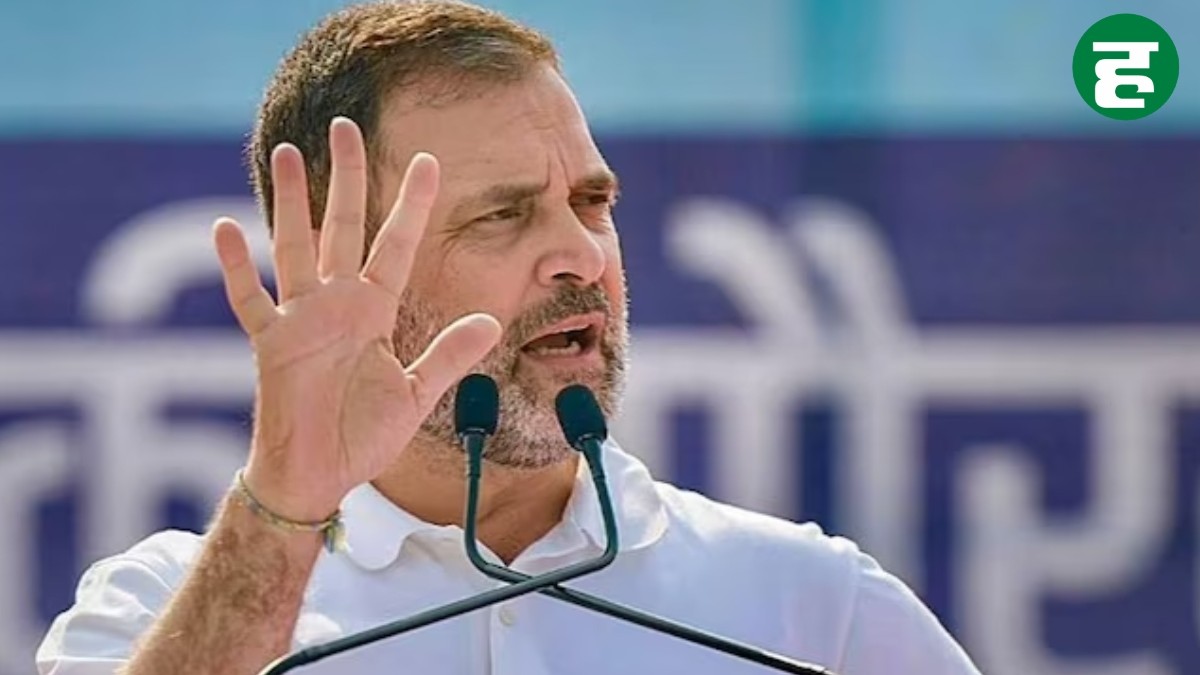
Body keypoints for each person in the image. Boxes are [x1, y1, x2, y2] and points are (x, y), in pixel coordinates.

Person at [36, 2, 981, 674]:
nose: (582, 255)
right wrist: (282, 512)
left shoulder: (810, 605)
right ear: (340, 258)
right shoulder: (155, 607)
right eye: (502, 215)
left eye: (591, 203)